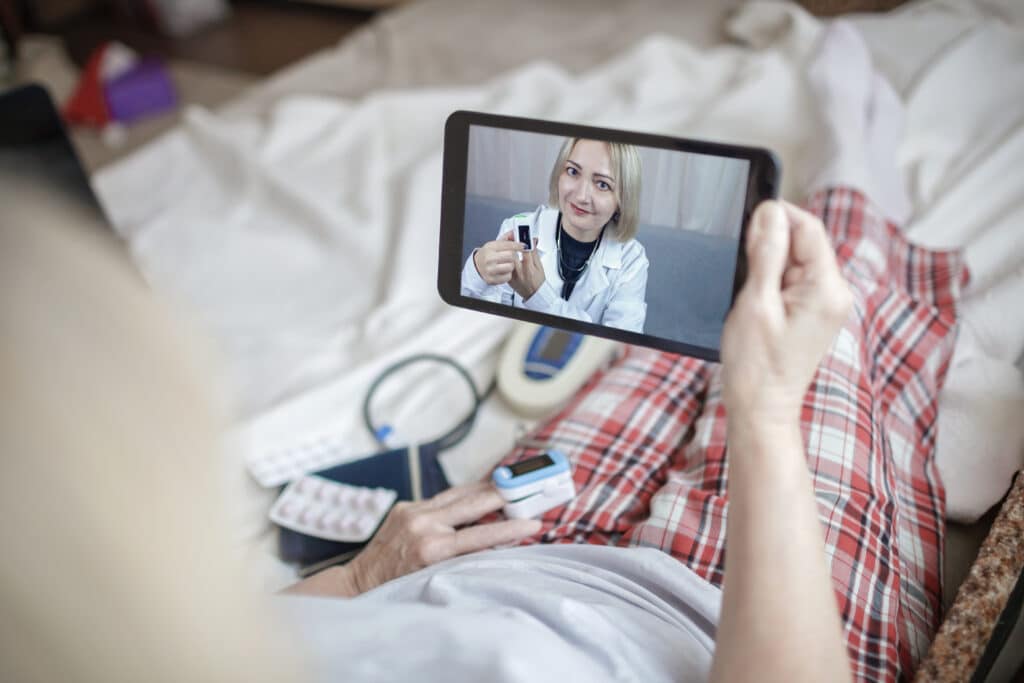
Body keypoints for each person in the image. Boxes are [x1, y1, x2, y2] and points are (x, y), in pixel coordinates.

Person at [285, 199, 855, 682]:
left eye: (601, 182)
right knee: (839, 300)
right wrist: (769, 410)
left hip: (503, 548)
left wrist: (356, 578)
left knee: (667, 346)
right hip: (737, 620)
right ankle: (849, 191)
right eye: (574, 177)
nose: (582, 196)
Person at [460, 137, 650, 333]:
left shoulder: (631, 259)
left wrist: (539, 295)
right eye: (573, 171)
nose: (581, 196)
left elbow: (618, 341)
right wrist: (477, 271)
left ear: (622, 200)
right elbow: (484, 324)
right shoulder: (521, 228)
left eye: (602, 184)